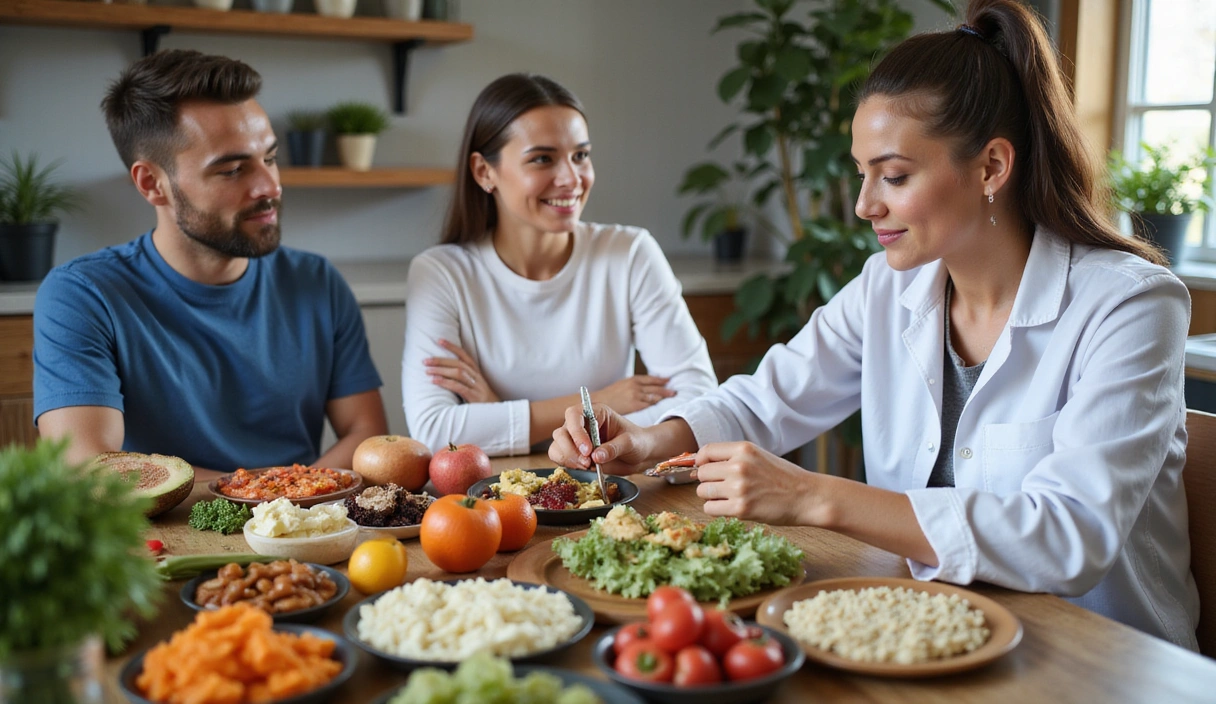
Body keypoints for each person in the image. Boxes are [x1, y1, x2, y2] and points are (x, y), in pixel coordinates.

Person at [551, 0, 1199, 651]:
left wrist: (813, 497)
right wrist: (651, 438)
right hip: (925, 634)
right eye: (863, 174)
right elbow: (771, 398)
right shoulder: (890, 285)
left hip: (1099, 660)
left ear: (992, 167)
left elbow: (1068, 535)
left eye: (894, 175)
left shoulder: (1131, 305)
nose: (865, 205)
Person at [34, 50, 388, 474]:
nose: (269, 186)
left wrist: (286, 501)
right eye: (233, 170)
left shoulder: (316, 281)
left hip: (299, 528)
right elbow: (91, 467)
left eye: (270, 159)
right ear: (153, 184)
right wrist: (268, 497)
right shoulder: (83, 295)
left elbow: (366, 434)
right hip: (160, 536)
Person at [402, 73, 717, 457]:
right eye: (542, 159)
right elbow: (434, 432)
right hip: (496, 499)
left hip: (607, 489)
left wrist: (496, 413)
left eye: (580, 155)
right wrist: (601, 403)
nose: (571, 178)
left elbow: (700, 401)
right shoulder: (441, 274)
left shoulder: (630, 252)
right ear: (485, 172)